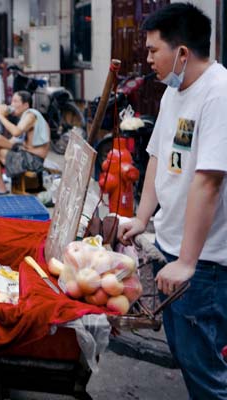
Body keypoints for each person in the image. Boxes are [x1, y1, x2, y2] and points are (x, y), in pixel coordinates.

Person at [117, 3, 227, 399]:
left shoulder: (218, 93)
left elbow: (209, 181)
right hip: (172, 251)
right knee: (188, 357)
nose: (147, 60)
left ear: (182, 52)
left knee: (206, 372)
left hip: (206, 265)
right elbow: (158, 158)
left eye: (152, 50)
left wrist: (188, 261)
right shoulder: (173, 93)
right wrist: (143, 217)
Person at [0, 91, 50, 193]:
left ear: (26, 105)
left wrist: (1, 116)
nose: (11, 105)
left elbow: (16, 132)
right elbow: (12, 141)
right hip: (27, 155)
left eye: (15, 101)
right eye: (11, 101)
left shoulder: (31, 115)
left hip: (33, 161)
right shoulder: (24, 118)